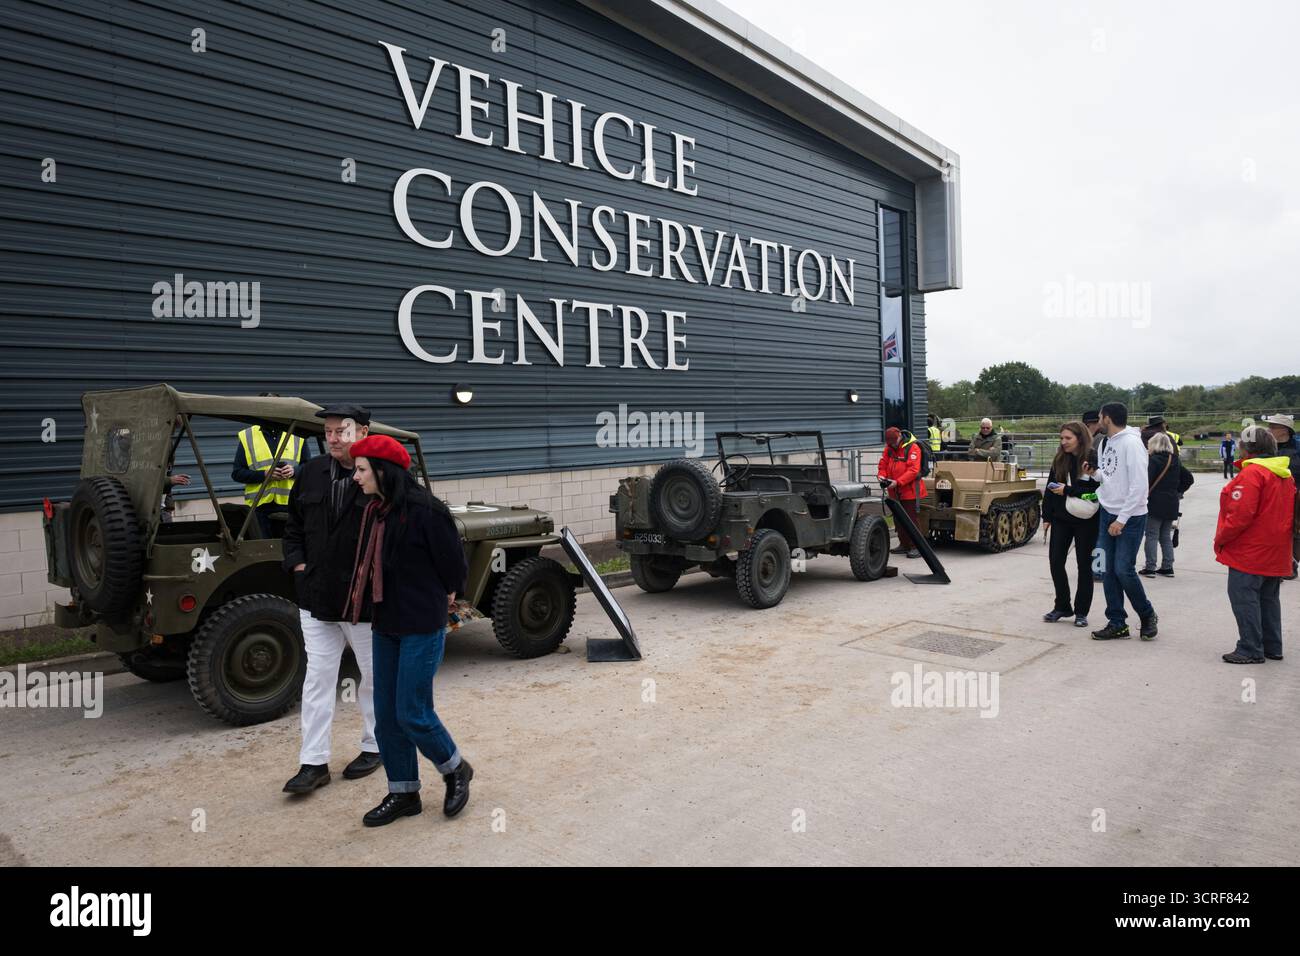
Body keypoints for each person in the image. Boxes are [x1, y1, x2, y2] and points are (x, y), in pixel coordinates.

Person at [342, 434, 472, 826]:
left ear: (383, 471)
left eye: (362, 470)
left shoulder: (427, 512)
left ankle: (455, 769)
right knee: (386, 715)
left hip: (420, 624)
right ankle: (403, 794)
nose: (356, 477)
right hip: (385, 624)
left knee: (411, 712)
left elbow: (454, 568)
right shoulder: (375, 511)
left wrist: (445, 594)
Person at [280, 403, 382, 794]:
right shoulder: (310, 473)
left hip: (364, 604)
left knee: (373, 677)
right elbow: (293, 529)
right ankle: (313, 763)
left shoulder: (380, 475)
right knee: (318, 679)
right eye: (329, 432)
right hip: (317, 599)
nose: (335, 438)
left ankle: (375, 746)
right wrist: (299, 567)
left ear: (364, 433)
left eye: (343, 431)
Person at [1215, 426, 1295, 663]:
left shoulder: (1252, 475)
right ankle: (1272, 646)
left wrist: (1221, 538)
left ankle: (1250, 647)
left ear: (1247, 448)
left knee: (1244, 596)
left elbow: (1240, 515)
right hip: (1276, 549)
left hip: (1250, 551)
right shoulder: (1284, 474)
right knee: (1269, 599)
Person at [1084, 401, 1158, 641]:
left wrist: (1122, 519)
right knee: (1107, 570)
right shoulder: (1106, 443)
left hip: (1131, 516)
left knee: (1123, 570)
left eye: (1100, 417)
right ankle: (1117, 622)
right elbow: (1109, 477)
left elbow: (1139, 486)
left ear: (1107, 418)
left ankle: (1147, 615)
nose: (1098, 421)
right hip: (1108, 512)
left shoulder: (1132, 443)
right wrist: (1094, 474)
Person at [1041, 422, 1099, 628]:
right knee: (1056, 561)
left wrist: (1068, 490)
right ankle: (1062, 606)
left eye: (1068, 438)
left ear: (1080, 438)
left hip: (1086, 521)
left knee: (1084, 566)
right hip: (1061, 520)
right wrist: (1046, 517)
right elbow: (1049, 488)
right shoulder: (1059, 459)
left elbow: (1096, 492)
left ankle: (1081, 611)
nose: (1063, 442)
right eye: (1061, 438)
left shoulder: (1092, 459)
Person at [232, 393, 309, 538]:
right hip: (258, 507)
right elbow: (237, 473)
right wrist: (264, 475)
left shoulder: (297, 434)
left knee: (290, 548)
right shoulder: (247, 436)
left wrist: (294, 471)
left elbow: (308, 468)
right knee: (264, 550)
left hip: (289, 505)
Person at [1140, 432, 1193, 578]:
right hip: (1171, 502)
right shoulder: (1175, 460)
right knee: (1165, 536)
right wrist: (1178, 491)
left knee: (1151, 535)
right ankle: (1167, 566)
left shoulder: (1153, 460)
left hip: (1155, 502)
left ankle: (1150, 567)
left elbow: (1146, 482)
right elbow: (1189, 479)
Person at [877, 426, 927, 559]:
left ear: (899, 436)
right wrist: (881, 476)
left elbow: (913, 470)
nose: (892, 444)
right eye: (890, 442)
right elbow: (883, 464)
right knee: (898, 519)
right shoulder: (889, 449)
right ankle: (904, 544)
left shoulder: (913, 448)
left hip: (909, 491)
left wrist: (898, 482)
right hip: (894, 491)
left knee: (911, 520)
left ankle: (916, 547)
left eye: (893, 441)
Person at [1262, 414, 1300, 580]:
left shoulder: (1298, 448)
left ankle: (1292, 562)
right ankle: (1279, 565)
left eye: (1273, 427)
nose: (1269, 430)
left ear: (1284, 430)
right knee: (1274, 532)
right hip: (1273, 498)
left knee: (1296, 532)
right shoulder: (1266, 448)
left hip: (1296, 495)